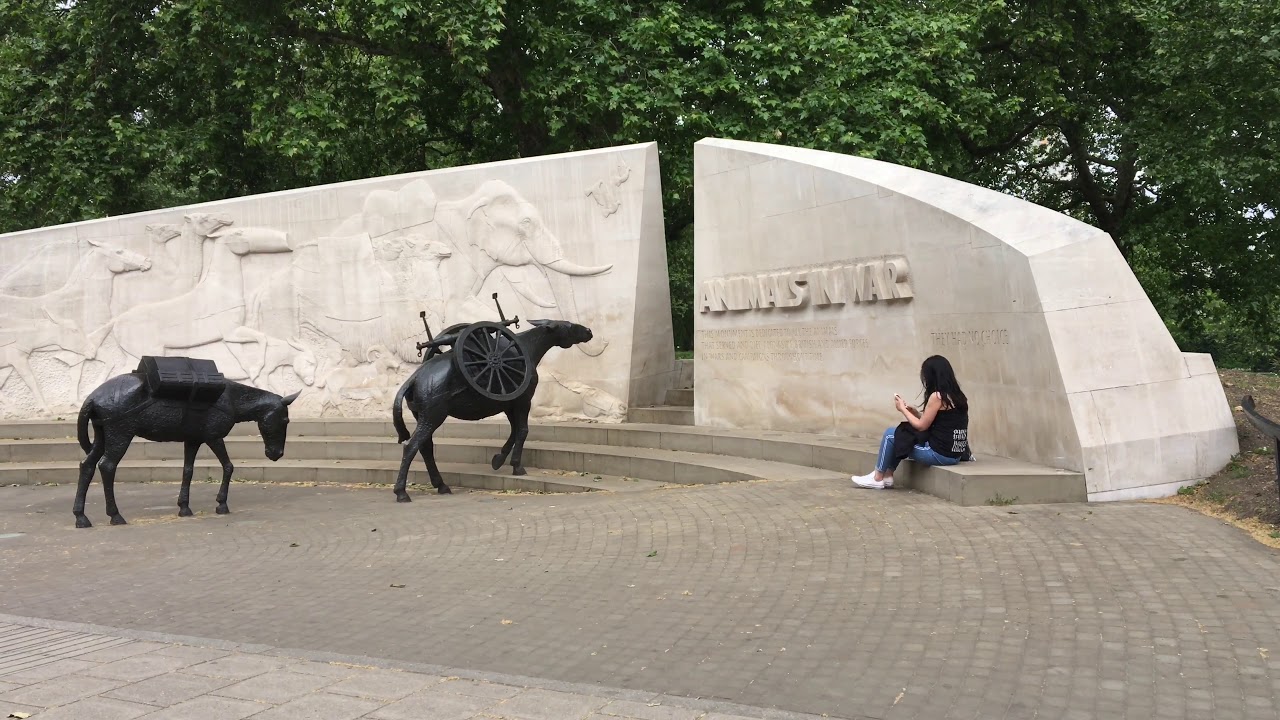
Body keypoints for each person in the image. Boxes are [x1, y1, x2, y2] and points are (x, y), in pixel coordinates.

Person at [852, 355, 970, 490]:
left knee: (891, 435)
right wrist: (916, 413)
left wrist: (902, 409)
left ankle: (877, 477)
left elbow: (921, 426)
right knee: (903, 434)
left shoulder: (937, 397)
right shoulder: (958, 396)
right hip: (955, 455)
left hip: (940, 455)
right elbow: (938, 422)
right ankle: (888, 476)